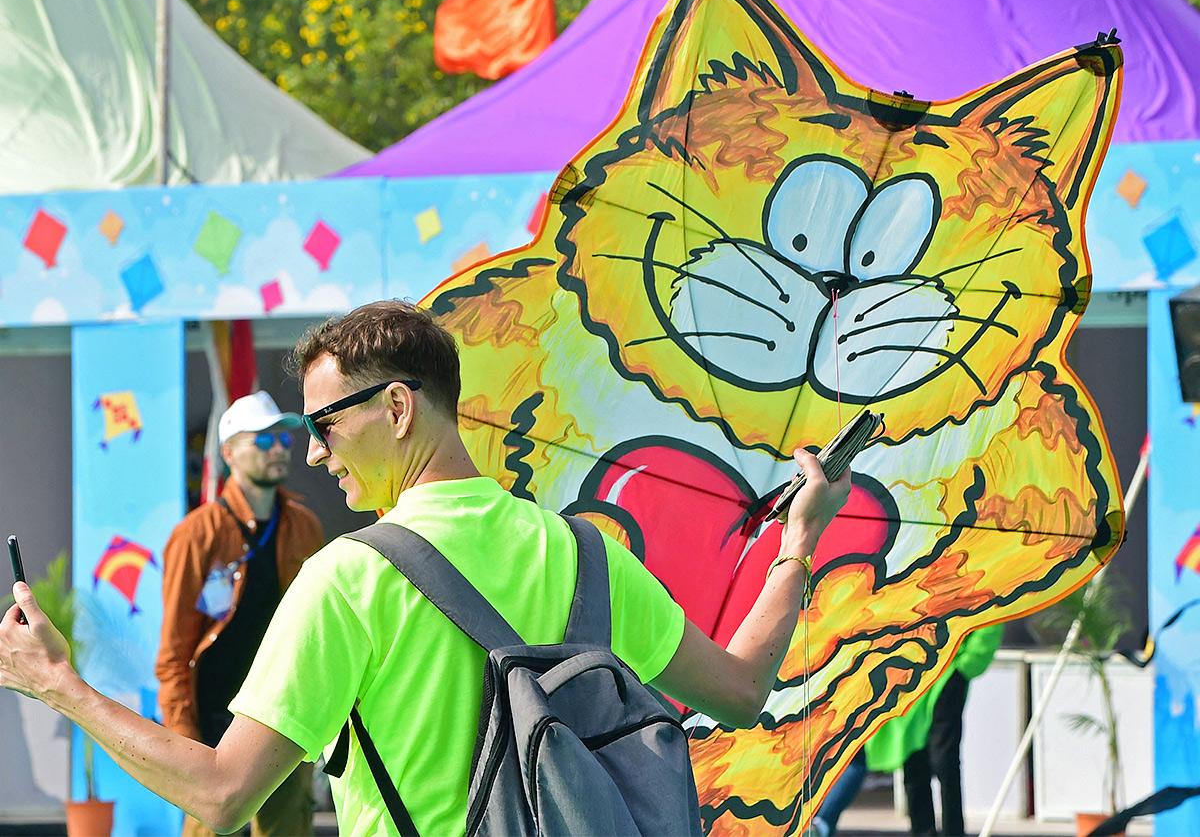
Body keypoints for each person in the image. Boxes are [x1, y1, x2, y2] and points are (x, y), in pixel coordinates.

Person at [0, 300, 851, 837]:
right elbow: (740, 692)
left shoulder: (349, 577)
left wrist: (57, 686)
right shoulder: (590, 553)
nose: (315, 453)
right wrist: (799, 543)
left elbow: (222, 799)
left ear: (398, 407)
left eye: (323, 426)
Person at [156, 390, 326, 837]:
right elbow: (174, 654)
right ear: (229, 452)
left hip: (283, 719)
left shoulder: (304, 526)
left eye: (284, 440)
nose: (279, 449)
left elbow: (316, 633)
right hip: (211, 726)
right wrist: (183, 743)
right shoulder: (197, 534)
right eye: (264, 440)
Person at [866, 624, 1003, 837]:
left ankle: (953, 832)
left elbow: (991, 612)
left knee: (944, 761)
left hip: (947, 673)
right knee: (912, 759)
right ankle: (922, 832)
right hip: (910, 673)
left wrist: (967, 665)